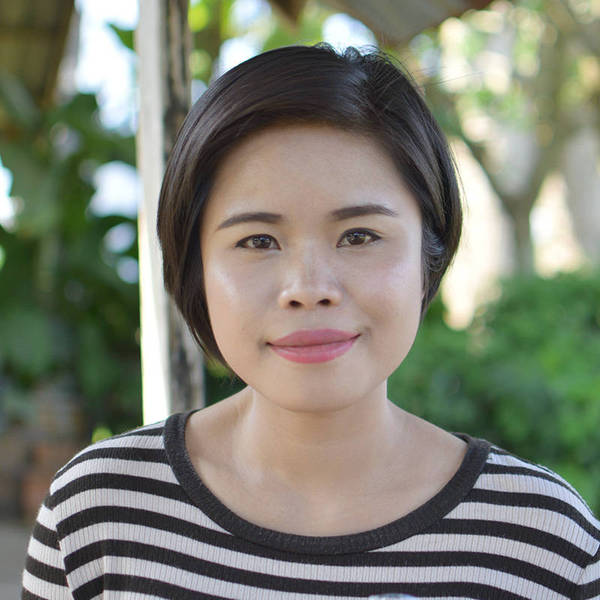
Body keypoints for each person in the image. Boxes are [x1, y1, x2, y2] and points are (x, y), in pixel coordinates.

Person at [22, 43, 599, 600]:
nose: (308, 289)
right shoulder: (100, 514)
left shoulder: (548, 544)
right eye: (258, 240)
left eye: (359, 236)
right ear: (194, 267)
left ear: (430, 253)